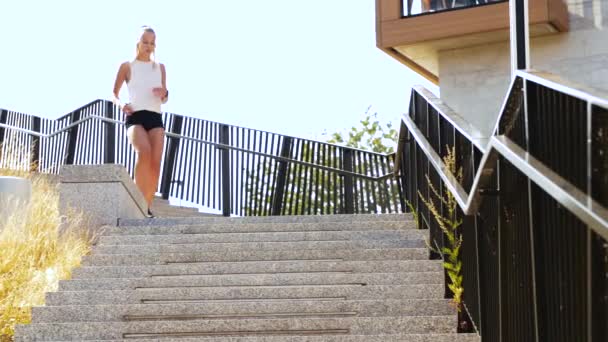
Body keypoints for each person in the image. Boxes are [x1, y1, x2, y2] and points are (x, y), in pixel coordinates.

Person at [112, 25, 168, 217]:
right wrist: (121, 105)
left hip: (155, 117)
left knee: (155, 161)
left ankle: (146, 206)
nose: (149, 46)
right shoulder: (127, 66)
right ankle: (136, 200)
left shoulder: (160, 68)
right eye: (145, 42)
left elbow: (165, 96)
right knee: (144, 152)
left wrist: (165, 93)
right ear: (138, 43)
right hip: (135, 115)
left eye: (152, 43)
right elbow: (114, 93)